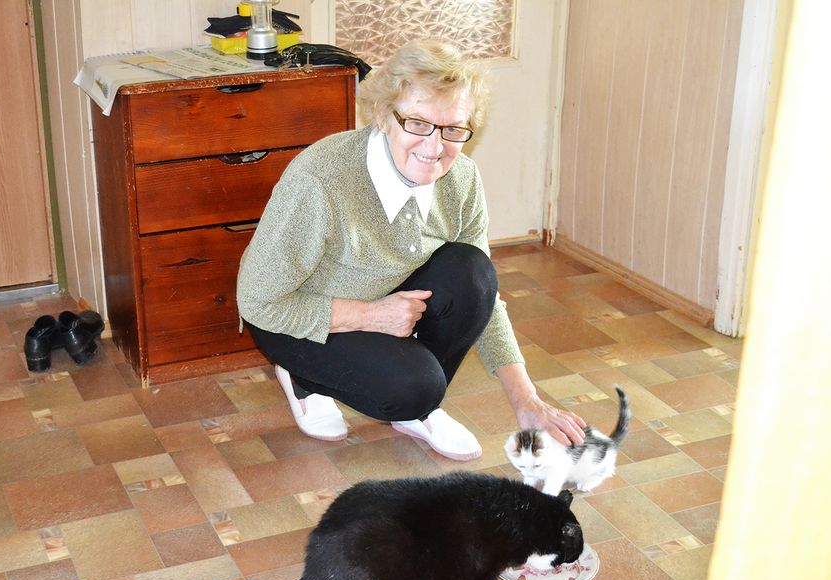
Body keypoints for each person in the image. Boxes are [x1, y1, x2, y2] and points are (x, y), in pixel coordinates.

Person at [236, 39, 586, 460]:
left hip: (391, 307)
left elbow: (484, 300)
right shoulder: (320, 180)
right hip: (298, 317)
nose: (435, 147)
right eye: (418, 123)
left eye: (453, 129)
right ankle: (304, 379)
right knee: (412, 388)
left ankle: (417, 407)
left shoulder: (462, 180)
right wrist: (372, 316)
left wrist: (527, 402)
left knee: (473, 272)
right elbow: (257, 302)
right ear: (385, 115)